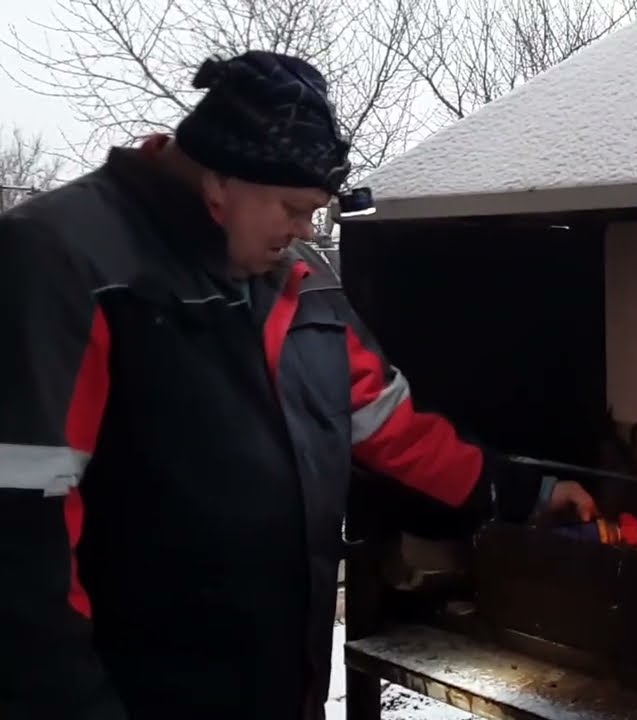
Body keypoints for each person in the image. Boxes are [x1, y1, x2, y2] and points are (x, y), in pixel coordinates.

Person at [0, 51, 598, 720]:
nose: (304, 232)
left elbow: (391, 429)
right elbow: (22, 519)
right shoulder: (66, 258)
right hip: (138, 694)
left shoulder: (298, 278)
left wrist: (523, 493)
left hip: (284, 682)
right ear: (219, 179)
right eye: (292, 207)